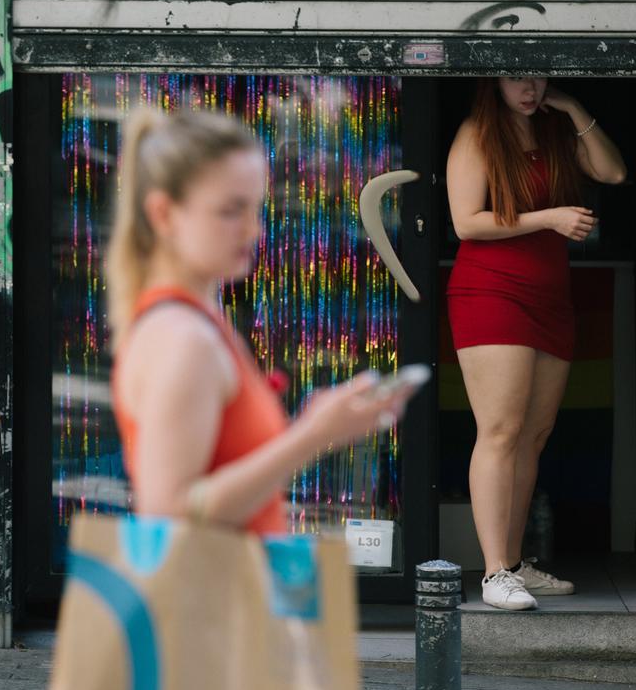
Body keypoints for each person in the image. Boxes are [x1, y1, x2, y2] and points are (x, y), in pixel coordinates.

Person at [108, 107, 411, 539]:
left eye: (255, 208)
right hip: (209, 604)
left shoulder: (192, 323)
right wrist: (312, 434)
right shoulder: (184, 337)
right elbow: (168, 513)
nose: (253, 230)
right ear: (164, 215)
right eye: (231, 210)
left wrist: (315, 428)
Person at [445, 77, 627, 610]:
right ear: (492, 81)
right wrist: (549, 217)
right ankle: (494, 572)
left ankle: (516, 564)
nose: (530, 88)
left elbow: (613, 171)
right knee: (500, 429)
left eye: (541, 78)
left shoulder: (554, 128)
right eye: (517, 78)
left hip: (551, 298)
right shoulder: (477, 132)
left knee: (534, 435)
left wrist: (572, 107)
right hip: (491, 291)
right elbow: (465, 222)